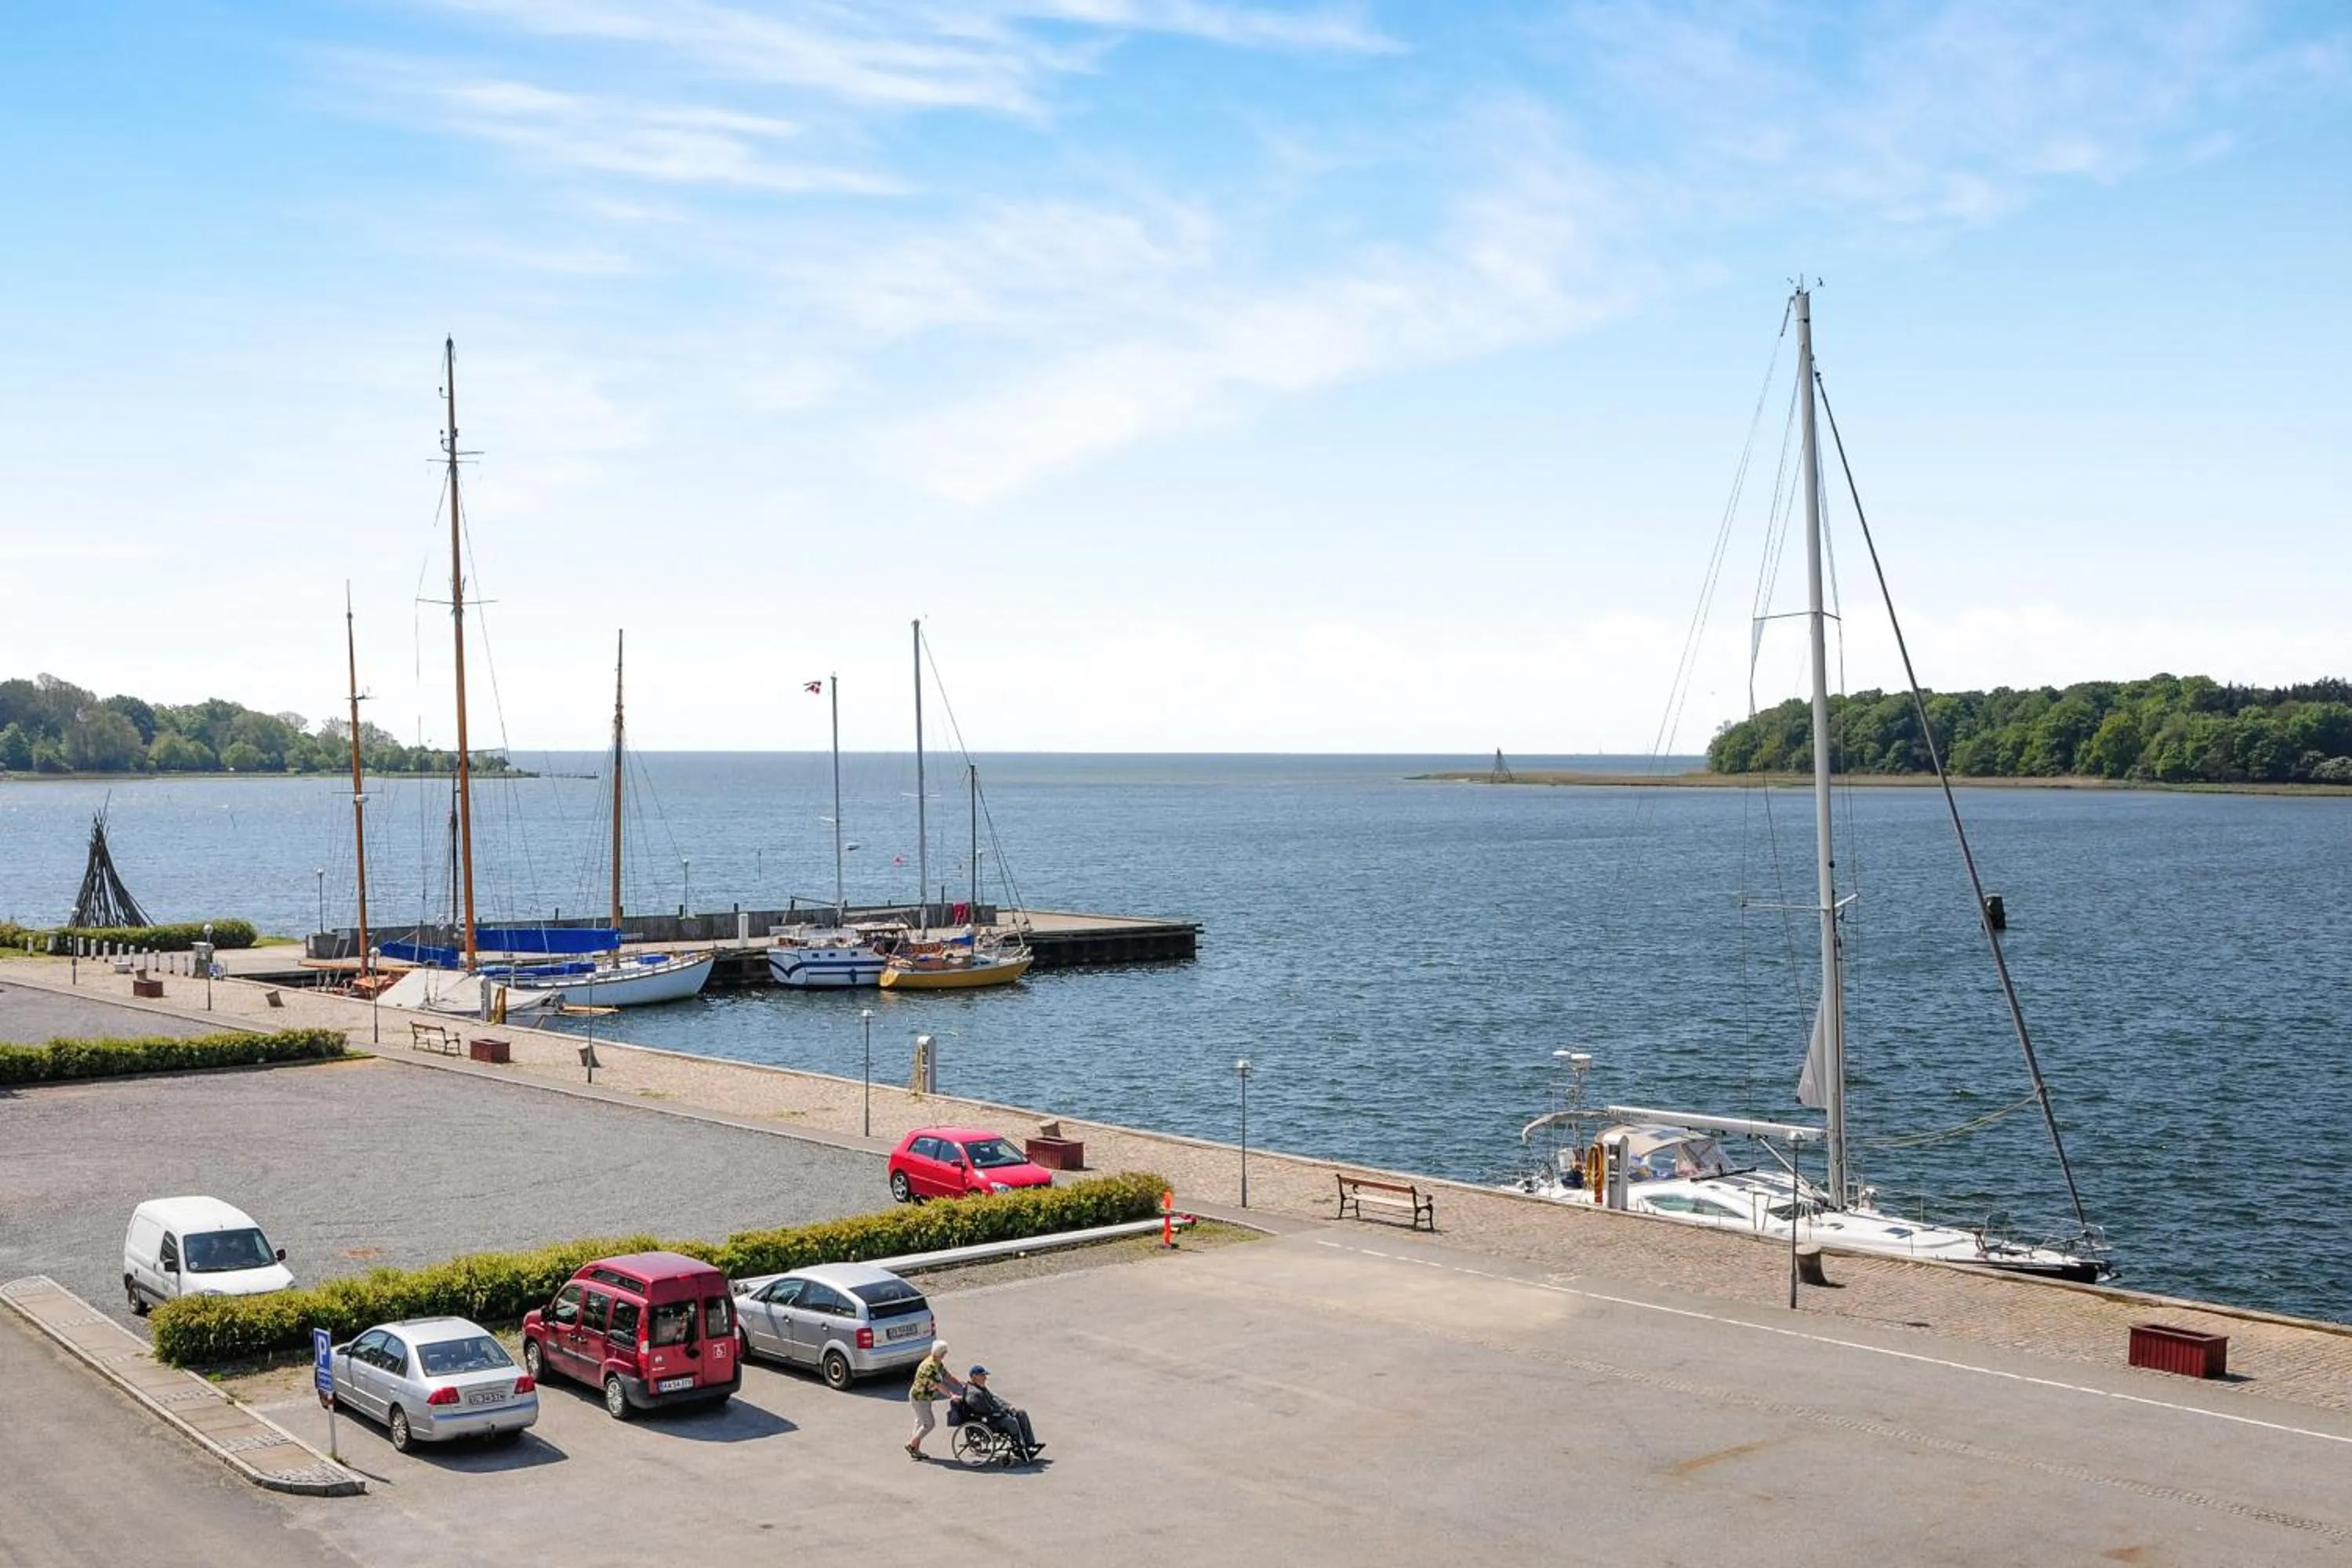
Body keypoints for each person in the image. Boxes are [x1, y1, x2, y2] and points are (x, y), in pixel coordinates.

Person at [960, 1364, 1040, 1457]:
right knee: (1011, 1421)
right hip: (989, 1421)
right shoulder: (973, 1394)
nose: (985, 1378)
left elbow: (995, 1399)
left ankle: (1030, 1444)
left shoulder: (980, 1388)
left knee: (1021, 1413)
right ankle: (1019, 1448)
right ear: (974, 1376)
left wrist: (1008, 1407)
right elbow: (985, 1410)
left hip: (995, 1415)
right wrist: (1003, 1412)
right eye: (982, 1375)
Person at [906, 1339, 964, 1460]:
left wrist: (960, 1384)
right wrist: (952, 1395)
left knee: (921, 1422)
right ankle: (911, 1444)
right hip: (920, 1398)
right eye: (945, 1352)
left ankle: (915, 1449)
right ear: (940, 1353)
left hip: (924, 1398)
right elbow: (939, 1385)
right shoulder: (930, 1367)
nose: (946, 1354)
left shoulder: (937, 1362)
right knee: (929, 1424)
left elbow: (946, 1376)